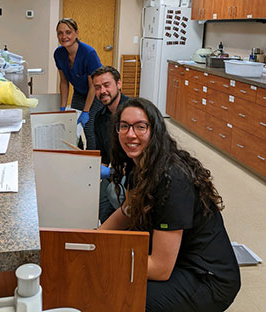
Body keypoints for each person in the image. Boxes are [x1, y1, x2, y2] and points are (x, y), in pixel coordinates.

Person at [100, 97, 241, 312]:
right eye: (124, 126)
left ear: (154, 131)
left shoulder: (172, 180)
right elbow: (127, 211)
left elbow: (160, 268)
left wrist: (105, 261)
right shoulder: (140, 165)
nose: (130, 134)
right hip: (179, 261)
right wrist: (94, 239)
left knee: (121, 296)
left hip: (208, 278)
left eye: (140, 127)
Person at [54, 18, 103, 150]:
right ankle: (78, 151)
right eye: (60, 33)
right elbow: (64, 82)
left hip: (97, 93)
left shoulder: (88, 53)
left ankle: (92, 160)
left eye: (68, 32)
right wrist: (63, 108)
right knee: (72, 124)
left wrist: (86, 111)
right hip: (80, 92)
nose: (64, 36)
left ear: (76, 33)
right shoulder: (59, 54)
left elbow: (93, 86)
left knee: (88, 127)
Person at [92, 66, 129, 223]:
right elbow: (104, 156)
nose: (102, 91)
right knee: (98, 203)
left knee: (114, 195)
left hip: (138, 173)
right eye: (97, 87)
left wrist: (113, 173)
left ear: (118, 84)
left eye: (107, 85)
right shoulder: (100, 118)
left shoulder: (134, 111)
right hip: (117, 171)